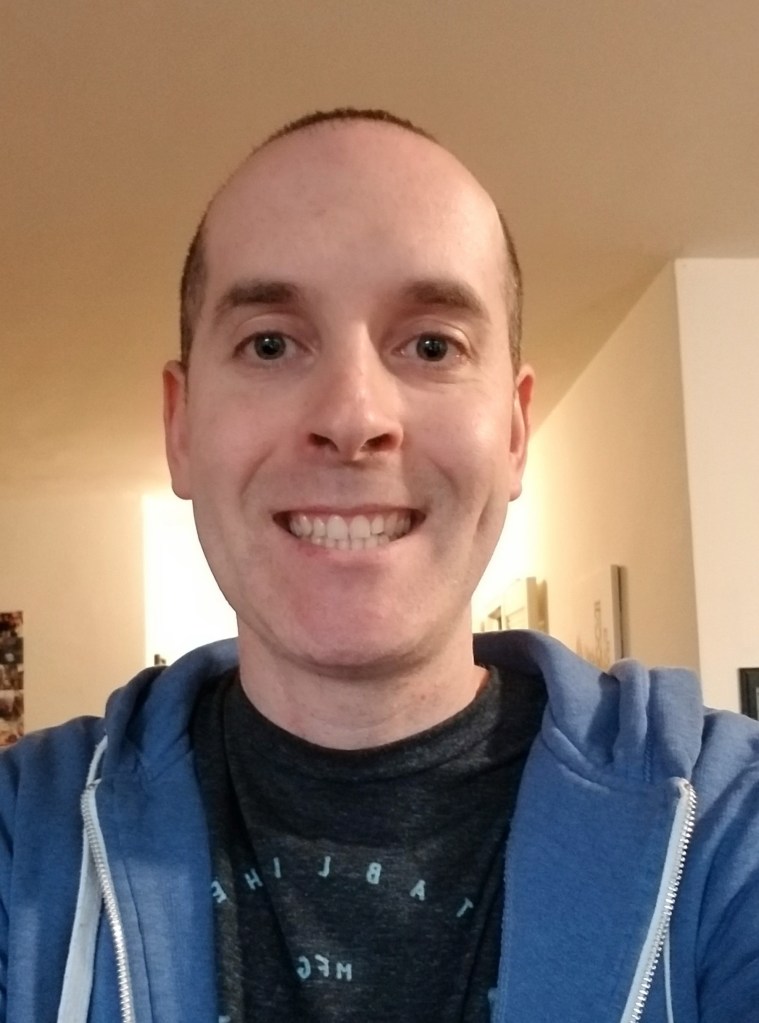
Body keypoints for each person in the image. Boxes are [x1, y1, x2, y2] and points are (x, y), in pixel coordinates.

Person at [1, 108, 758, 1023]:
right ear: (181, 426)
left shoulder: (726, 830)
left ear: (514, 432)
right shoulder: (23, 840)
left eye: (432, 345)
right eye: (270, 342)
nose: (353, 416)